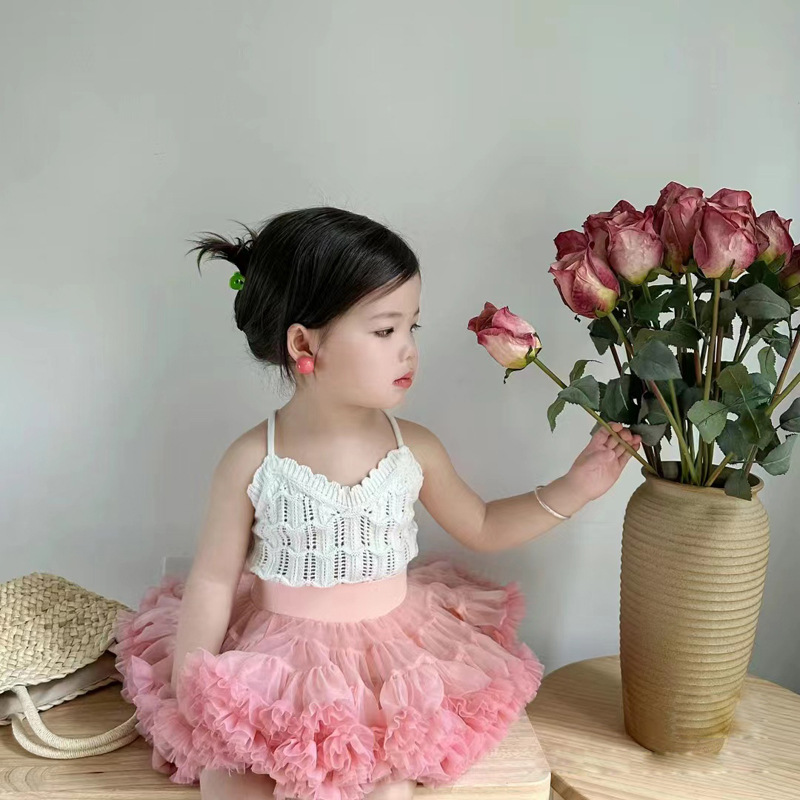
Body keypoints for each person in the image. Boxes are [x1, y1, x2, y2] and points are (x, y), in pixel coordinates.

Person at [111, 207, 641, 800]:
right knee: (227, 780)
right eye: (386, 331)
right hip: (276, 662)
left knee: (386, 788)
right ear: (303, 343)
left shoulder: (413, 448)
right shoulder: (253, 459)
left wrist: (576, 486)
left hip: (390, 667)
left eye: (413, 327)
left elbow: (483, 524)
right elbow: (213, 579)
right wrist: (193, 684)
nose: (408, 350)